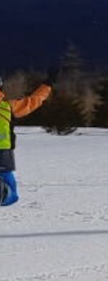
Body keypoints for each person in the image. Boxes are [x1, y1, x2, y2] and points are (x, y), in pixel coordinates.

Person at [0, 74, 54, 207]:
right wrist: (47, 86)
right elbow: (33, 101)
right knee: (11, 195)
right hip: (3, 153)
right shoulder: (8, 107)